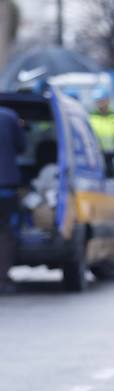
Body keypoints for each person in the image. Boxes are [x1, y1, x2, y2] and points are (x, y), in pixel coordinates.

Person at [0, 105, 26, 294]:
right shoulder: (9, 117)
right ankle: (2, 277)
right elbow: (22, 147)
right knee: (6, 231)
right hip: (6, 185)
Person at [88, 88, 114, 177]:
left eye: (102, 100)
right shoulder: (90, 119)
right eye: (98, 101)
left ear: (108, 101)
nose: (100, 104)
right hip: (97, 158)